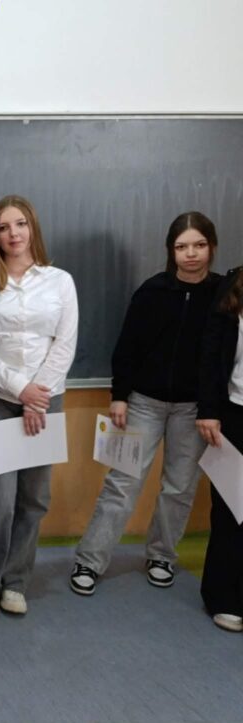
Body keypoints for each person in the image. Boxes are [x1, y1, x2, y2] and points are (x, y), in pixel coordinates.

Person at [70, 212, 221, 595]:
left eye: (199, 245)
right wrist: (119, 396)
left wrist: (210, 409)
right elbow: (127, 348)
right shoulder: (152, 291)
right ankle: (89, 561)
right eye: (182, 246)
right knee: (122, 483)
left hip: (194, 411)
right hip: (142, 404)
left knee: (179, 487)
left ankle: (161, 556)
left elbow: (221, 359)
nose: (191, 254)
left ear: (212, 248)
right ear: (171, 251)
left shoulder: (223, 296)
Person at [0, 195, 78, 618]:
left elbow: (64, 343)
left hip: (47, 401)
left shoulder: (59, 281)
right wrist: (22, 390)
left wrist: (39, 395)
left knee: (35, 498)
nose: (13, 233)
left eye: (20, 224)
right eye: (3, 227)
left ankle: (15, 582)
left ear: (32, 228)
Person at [196, 265, 243, 632]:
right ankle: (225, 598)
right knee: (231, 509)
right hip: (234, 414)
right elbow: (210, 356)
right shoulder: (232, 288)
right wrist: (209, 410)